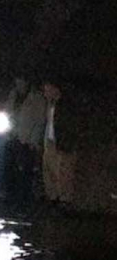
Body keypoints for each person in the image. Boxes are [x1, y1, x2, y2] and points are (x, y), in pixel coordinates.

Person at [4, 74, 47, 205]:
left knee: (25, 170)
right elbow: (7, 112)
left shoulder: (36, 98)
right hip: (12, 137)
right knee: (9, 168)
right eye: (17, 81)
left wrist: (33, 140)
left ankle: (24, 199)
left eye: (21, 81)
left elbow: (39, 120)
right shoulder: (13, 95)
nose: (19, 84)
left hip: (26, 139)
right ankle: (10, 197)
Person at [42, 79, 79, 209]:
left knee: (63, 172)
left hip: (62, 142)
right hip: (50, 140)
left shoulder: (66, 105)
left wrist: (67, 142)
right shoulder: (50, 105)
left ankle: (65, 199)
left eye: (48, 90)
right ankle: (53, 196)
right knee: (49, 169)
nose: (45, 93)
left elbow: (70, 125)